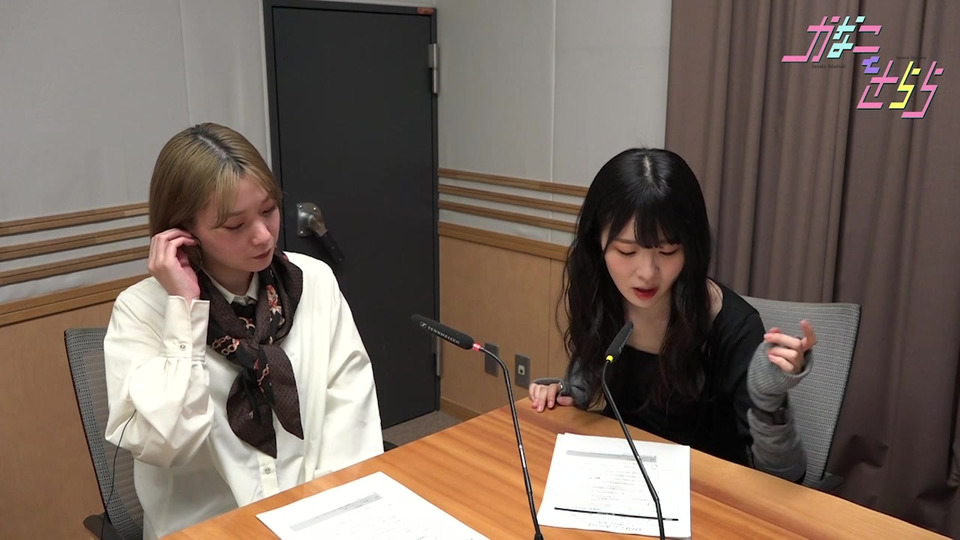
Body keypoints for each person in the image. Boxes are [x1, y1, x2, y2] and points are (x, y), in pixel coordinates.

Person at [103, 123, 383, 539]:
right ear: (183, 233)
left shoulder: (312, 282)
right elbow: (166, 443)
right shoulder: (142, 311)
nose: (263, 235)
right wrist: (184, 314)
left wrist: (326, 516)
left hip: (312, 517)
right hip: (207, 531)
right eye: (235, 225)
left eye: (268, 210)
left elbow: (349, 415)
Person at [528, 148, 815, 482]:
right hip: (624, 477)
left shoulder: (733, 326)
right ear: (597, 244)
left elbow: (787, 477)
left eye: (667, 251)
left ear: (691, 248)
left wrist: (769, 399)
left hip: (706, 489)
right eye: (626, 251)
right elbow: (590, 373)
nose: (646, 273)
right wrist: (566, 391)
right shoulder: (600, 292)